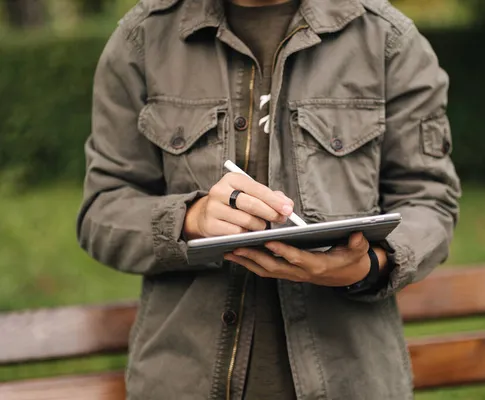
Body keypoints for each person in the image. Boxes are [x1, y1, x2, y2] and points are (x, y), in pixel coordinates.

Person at [77, 0, 461, 398]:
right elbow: (102, 211)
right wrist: (191, 218)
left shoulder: (387, 40)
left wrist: (369, 266)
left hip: (353, 381)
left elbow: (431, 202)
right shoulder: (143, 39)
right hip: (181, 383)